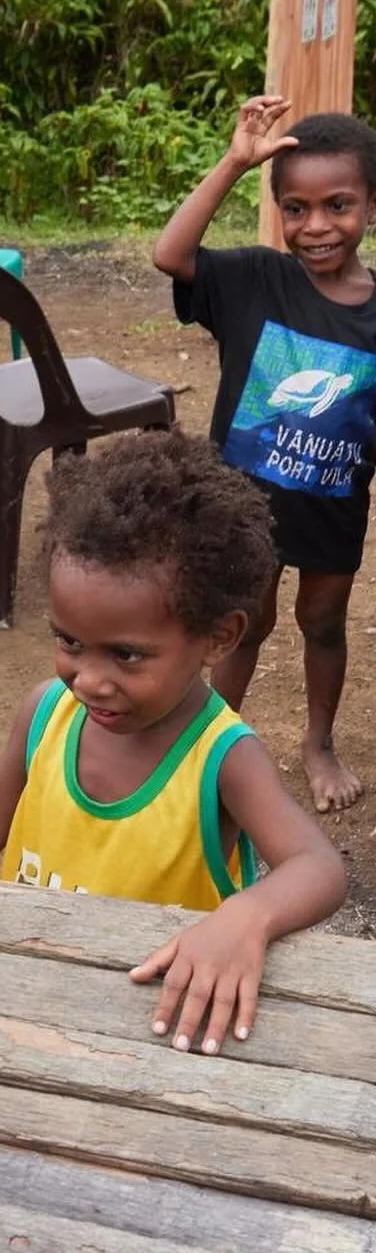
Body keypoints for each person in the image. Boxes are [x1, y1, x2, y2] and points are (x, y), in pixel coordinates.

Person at [0, 432, 347, 1056]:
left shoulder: (222, 759)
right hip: (27, 1001)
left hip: (147, 1027)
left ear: (218, 638)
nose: (89, 679)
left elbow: (317, 868)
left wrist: (245, 918)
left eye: (127, 655)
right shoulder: (48, 712)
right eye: (69, 641)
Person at [154, 98, 376, 814]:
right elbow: (171, 254)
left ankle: (317, 742)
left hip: (333, 507)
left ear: (370, 206)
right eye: (296, 207)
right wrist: (234, 161)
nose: (316, 226)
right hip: (243, 506)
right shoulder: (255, 279)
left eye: (337, 205)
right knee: (245, 619)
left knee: (323, 621)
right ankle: (217, 738)